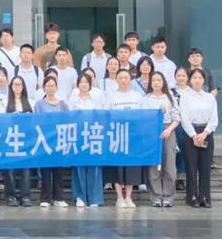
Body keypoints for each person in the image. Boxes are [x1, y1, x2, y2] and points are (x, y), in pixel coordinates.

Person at [103, 69, 144, 208]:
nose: (123, 80)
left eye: (126, 77)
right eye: (120, 78)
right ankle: (119, 197)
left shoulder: (137, 96)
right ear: (117, 80)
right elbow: (106, 115)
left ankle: (129, 197)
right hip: (116, 135)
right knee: (117, 166)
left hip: (133, 135)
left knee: (131, 166)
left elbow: (144, 114)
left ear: (130, 79)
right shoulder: (111, 97)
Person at [141, 71, 180, 207]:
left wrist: (169, 129)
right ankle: (156, 196)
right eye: (154, 80)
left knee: (169, 163)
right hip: (151, 131)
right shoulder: (146, 99)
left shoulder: (170, 98)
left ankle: (168, 196)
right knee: (153, 165)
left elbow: (176, 118)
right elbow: (143, 117)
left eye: (159, 80)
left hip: (168, 129)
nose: (156, 83)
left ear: (163, 82)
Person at [180, 69, 218, 208]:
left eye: (200, 78)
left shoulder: (210, 98)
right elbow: (184, 118)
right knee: (191, 167)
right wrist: (194, 135)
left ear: (204, 80)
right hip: (191, 133)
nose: (197, 80)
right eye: (194, 78)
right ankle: (193, 196)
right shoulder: (185, 97)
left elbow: (214, 118)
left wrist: (204, 133)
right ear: (190, 80)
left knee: (205, 167)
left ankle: (205, 196)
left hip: (206, 132)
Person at [68, 73, 104, 208]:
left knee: (94, 166)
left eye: (86, 82)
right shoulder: (73, 99)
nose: (83, 84)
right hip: (78, 135)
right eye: (81, 82)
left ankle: (94, 198)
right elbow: (68, 117)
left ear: (90, 84)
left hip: (94, 135)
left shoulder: (95, 99)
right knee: (79, 166)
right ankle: (80, 196)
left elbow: (101, 116)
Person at [34, 77, 69, 208]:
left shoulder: (62, 104)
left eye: (53, 85)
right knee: (45, 171)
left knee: (58, 170)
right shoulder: (39, 104)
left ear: (56, 87)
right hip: (44, 140)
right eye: (48, 86)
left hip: (58, 141)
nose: (50, 88)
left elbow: (67, 121)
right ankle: (45, 198)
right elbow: (36, 121)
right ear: (44, 87)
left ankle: (59, 198)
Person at [2, 76, 34, 207]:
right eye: (15, 85)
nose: (17, 87)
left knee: (25, 170)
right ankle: (10, 195)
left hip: (25, 140)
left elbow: (35, 121)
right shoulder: (4, 102)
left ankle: (25, 196)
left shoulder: (30, 102)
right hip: (10, 140)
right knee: (10, 170)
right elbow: (0, 121)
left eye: (19, 85)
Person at [172, 67, 192, 191]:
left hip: (191, 125)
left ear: (188, 77)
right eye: (178, 76)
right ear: (175, 77)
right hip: (175, 125)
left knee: (188, 152)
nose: (181, 78)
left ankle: (187, 178)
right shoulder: (171, 92)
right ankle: (177, 178)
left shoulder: (192, 92)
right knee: (176, 152)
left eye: (183, 76)